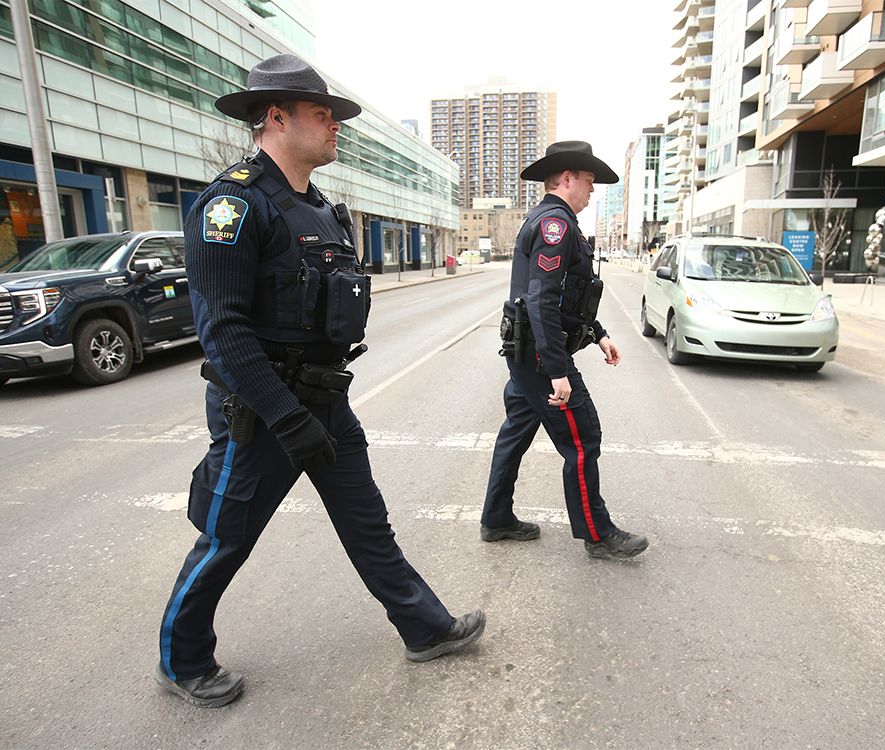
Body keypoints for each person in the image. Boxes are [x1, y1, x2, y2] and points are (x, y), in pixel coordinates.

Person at [156, 54, 485, 709]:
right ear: (275, 118)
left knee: (369, 524)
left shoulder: (323, 211)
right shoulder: (232, 206)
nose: (336, 125)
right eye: (321, 113)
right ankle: (182, 660)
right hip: (261, 413)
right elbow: (222, 333)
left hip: (325, 403)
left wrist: (313, 411)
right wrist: (285, 417)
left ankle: (424, 627)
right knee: (225, 538)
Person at [480, 141, 648, 560]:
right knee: (582, 438)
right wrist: (557, 369)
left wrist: (598, 332)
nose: (592, 191)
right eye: (589, 181)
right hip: (540, 357)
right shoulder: (555, 224)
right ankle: (598, 533)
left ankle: (497, 517)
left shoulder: (550, 220)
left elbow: (568, 298)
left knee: (515, 433)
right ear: (568, 178)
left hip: (528, 356)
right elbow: (541, 301)